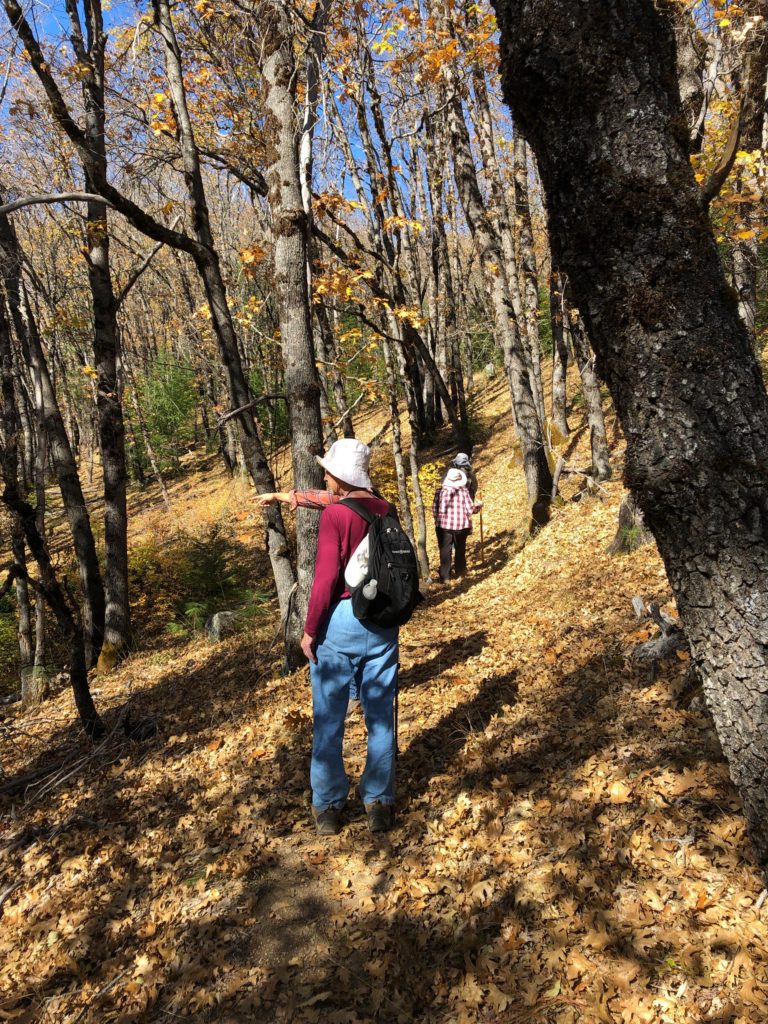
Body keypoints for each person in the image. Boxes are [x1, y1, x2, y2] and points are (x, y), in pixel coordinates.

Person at [299, 438, 399, 836]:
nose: (325, 477)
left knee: (328, 719)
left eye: (329, 471)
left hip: (340, 621)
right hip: (382, 622)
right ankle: (378, 801)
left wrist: (310, 630)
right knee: (380, 720)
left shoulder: (336, 516)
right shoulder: (385, 509)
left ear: (341, 476)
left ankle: (328, 807)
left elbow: (325, 579)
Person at [432, 467, 482, 583]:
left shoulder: (439, 492)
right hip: (461, 526)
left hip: (443, 526)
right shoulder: (463, 491)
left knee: (445, 550)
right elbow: (470, 509)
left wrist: (437, 520)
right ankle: (460, 571)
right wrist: (479, 506)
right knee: (460, 548)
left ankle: (445, 576)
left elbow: (434, 509)